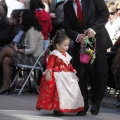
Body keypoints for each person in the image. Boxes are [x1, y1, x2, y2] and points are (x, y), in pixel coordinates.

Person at [64, 0, 113, 116]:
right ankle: (82, 104)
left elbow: (104, 13)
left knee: (100, 73)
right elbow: (67, 26)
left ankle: (96, 101)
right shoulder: (67, 5)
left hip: (98, 41)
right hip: (81, 44)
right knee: (80, 74)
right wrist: (76, 36)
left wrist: (93, 29)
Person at [36, 31, 84, 116]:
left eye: (68, 45)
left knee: (72, 90)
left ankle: (74, 106)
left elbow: (69, 65)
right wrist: (48, 73)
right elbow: (50, 65)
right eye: (64, 45)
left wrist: (74, 73)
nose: (67, 47)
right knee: (59, 91)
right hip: (58, 75)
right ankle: (58, 108)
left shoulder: (66, 55)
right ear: (58, 46)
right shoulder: (54, 54)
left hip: (67, 75)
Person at [0, 9, 44, 94]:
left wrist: (18, 50)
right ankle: (6, 85)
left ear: (26, 17)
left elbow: (32, 50)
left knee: (6, 50)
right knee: (6, 60)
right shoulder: (27, 29)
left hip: (34, 60)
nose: (19, 18)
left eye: (20, 16)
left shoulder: (32, 30)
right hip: (29, 57)